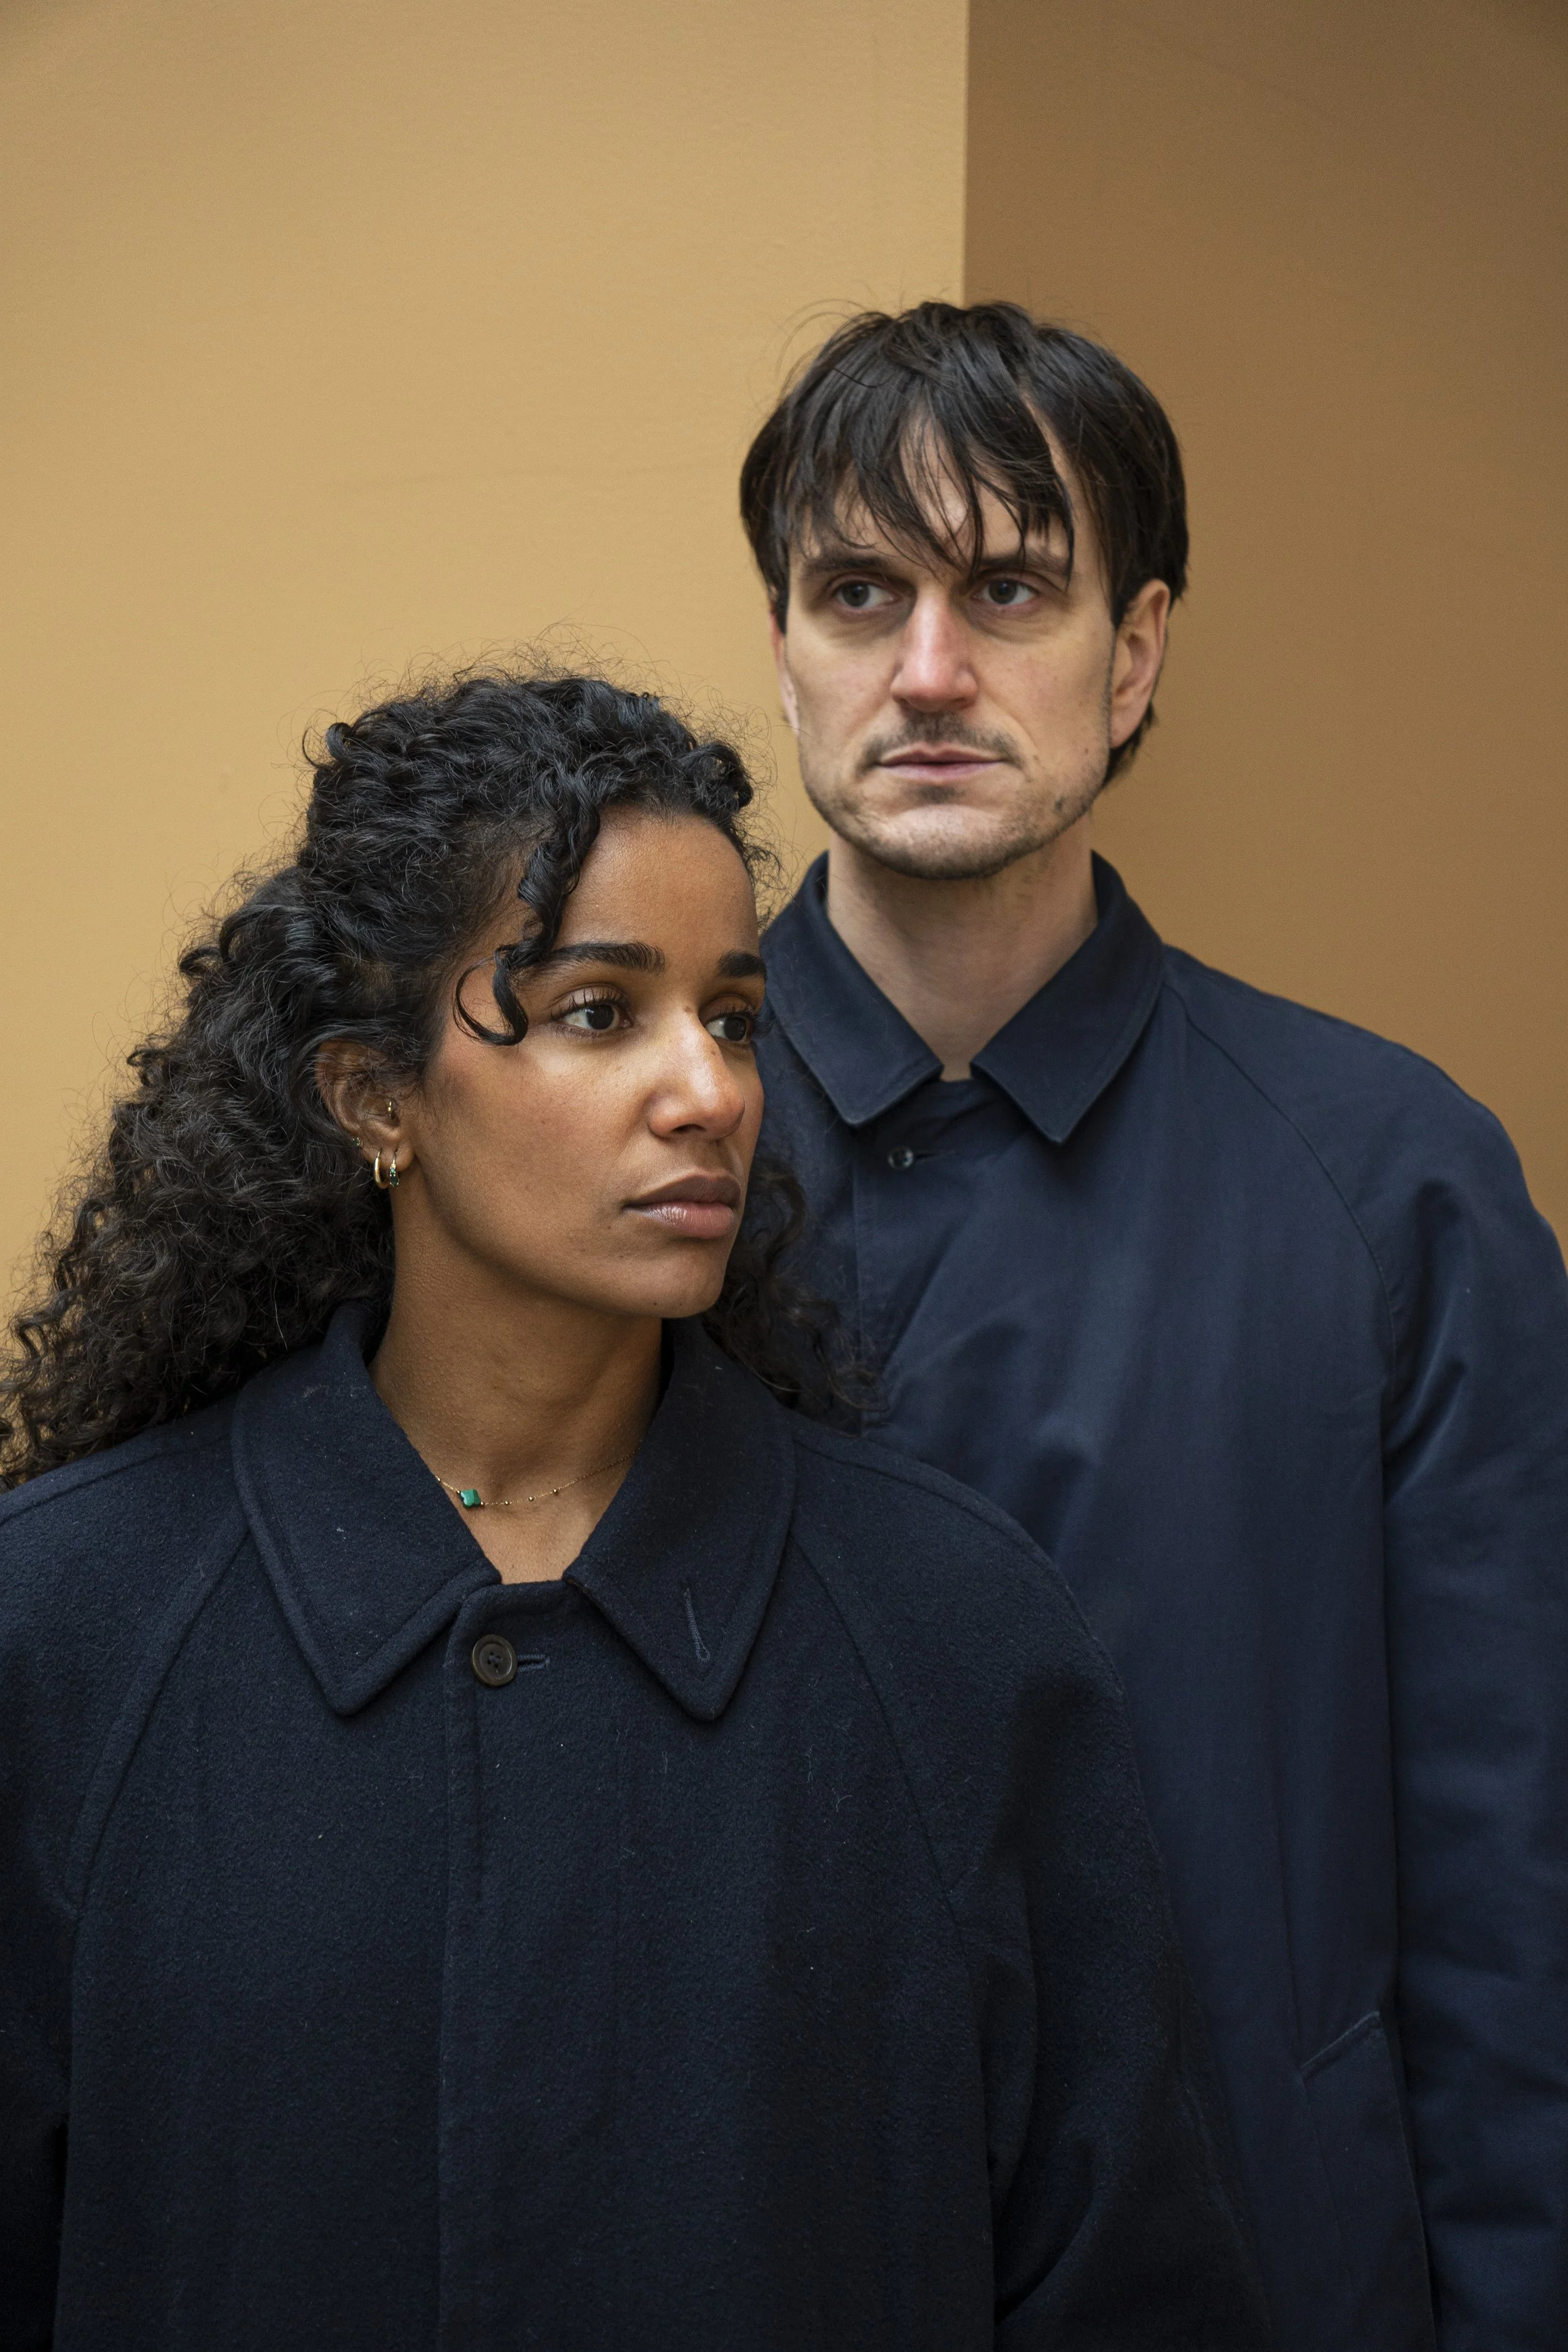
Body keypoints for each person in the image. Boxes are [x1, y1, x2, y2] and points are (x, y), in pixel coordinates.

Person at [0, 670, 1268, 2350]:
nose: (711, 1091)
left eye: (732, 1016)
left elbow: (1126, 2291)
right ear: (375, 1096)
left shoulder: (957, 1637)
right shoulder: (66, 1629)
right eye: (600, 1010)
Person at [740, 302, 1568, 2352]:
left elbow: (1511, 1894)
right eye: (860, 593)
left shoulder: (1390, 1182)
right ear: (782, 646)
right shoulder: (606, 1156)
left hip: (1267, 2285)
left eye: (1005, 588)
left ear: (1133, 655)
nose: (926, 670)